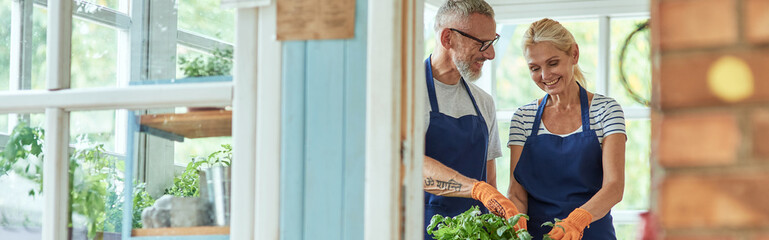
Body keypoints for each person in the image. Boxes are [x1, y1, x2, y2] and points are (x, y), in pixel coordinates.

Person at [507, 18, 627, 240]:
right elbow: (517, 193)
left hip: (593, 234)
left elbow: (614, 187)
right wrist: (516, 230)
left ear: (574, 54)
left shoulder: (606, 110)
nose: (545, 76)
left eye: (553, 63)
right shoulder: (523, 118)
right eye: (535, 68)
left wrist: (576, 221)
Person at [422, 0, 526, 239]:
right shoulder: (406, 94)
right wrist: (476, 190)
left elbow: (490, 180)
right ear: (448, 38)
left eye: (493, 42)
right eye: (482, 43)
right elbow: (409, 166)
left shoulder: (483, 102)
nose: (490, 54)